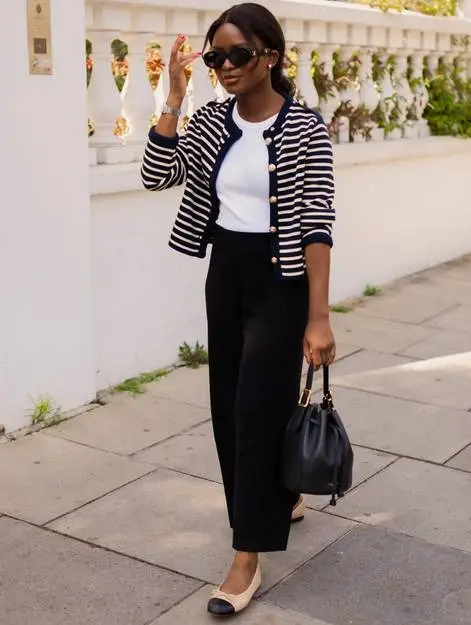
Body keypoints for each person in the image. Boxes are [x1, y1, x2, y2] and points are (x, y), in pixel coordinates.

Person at [141, 2, 335, 616]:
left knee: (256, 408)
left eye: (239, 55)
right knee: (229, 402)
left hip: (282, 281)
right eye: (215, 56)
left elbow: (317, 225)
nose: (225, 66)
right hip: (225, 273)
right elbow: (156, 175)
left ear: (270, 58)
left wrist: (319, 316)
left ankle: (246, 555)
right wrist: (172, 97)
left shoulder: (304, 128)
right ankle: (280, 495)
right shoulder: (206, 122)